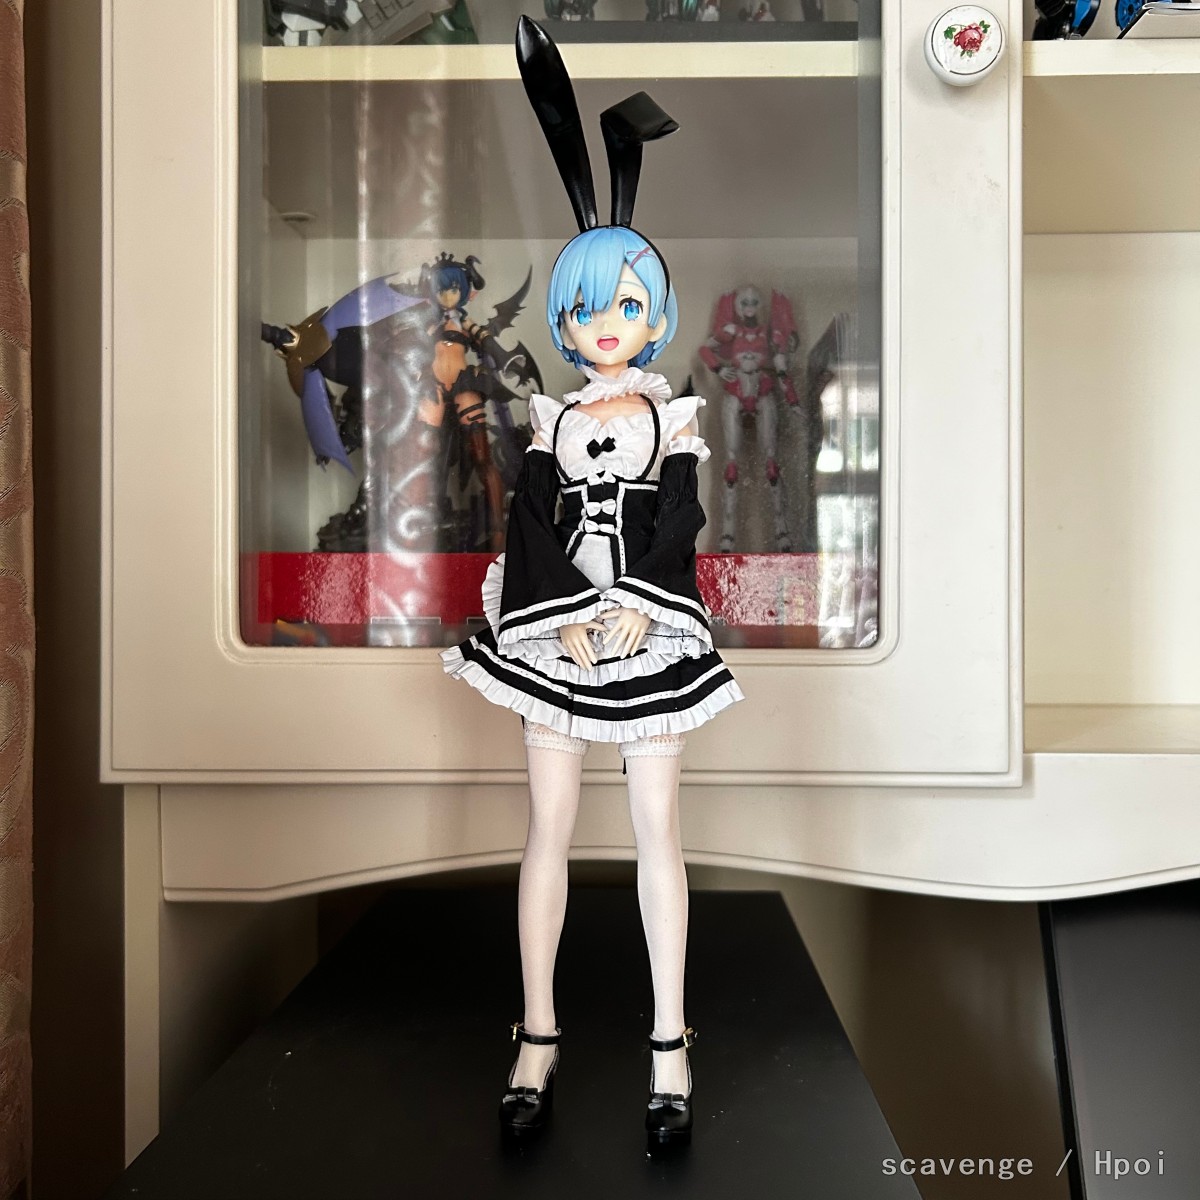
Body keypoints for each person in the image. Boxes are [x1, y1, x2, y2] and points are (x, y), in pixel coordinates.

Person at [439, 16, 744, 1146]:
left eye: (623, 305)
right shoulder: (550, 421)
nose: (602, 325)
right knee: (548, 830)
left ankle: (669, 1045)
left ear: (653, 314)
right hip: (558, 636)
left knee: (659, 828)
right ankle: (538, 1035)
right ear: (565, 319)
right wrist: (559, 616)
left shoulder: (673, 418)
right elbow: (528, 523)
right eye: (583, 307)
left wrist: (634, 611)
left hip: (648, 634)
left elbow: (681, 524)